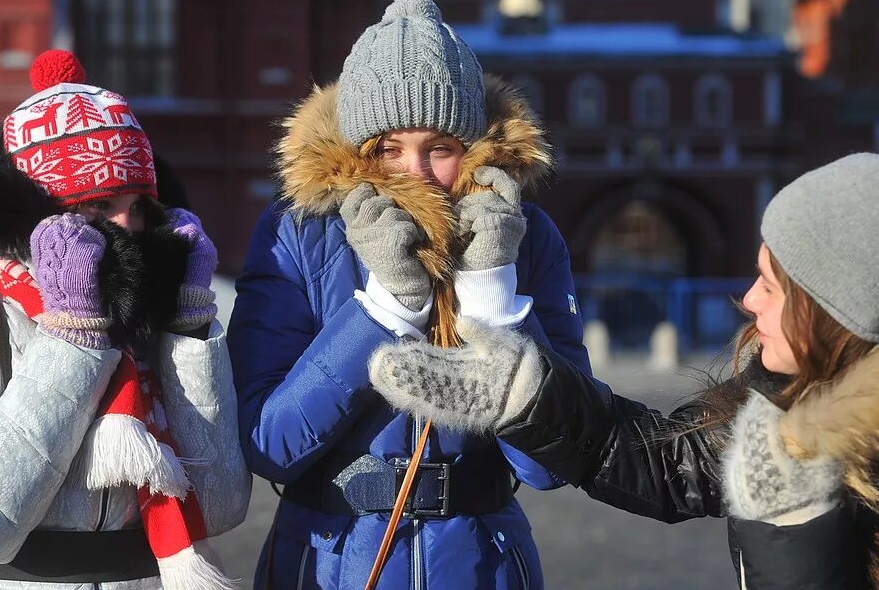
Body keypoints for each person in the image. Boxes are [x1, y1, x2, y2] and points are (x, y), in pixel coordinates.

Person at [370, 152, 879, 589]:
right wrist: (526, 396)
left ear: (836, 310)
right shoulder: (787, 399)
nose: (748, 301)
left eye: (771, 286)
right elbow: (674, 461)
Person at [229, 0, 591, 589]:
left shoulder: (521, 235)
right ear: (353, 151)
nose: (415, 174)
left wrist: (491, 299)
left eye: (439, 149)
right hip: (330, 560)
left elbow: (553, 462)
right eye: (388, 150)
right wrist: (383, 310)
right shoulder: (298, 231)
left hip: (482, 564)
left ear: (473, 151)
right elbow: (269, 444)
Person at [0, 50, 250, 590]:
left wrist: (189, 327)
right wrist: (73, 336)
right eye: (98, 205)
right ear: (39, 214)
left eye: (138, 205)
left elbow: (219, 508)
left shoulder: (152, 300)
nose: (127, 226)